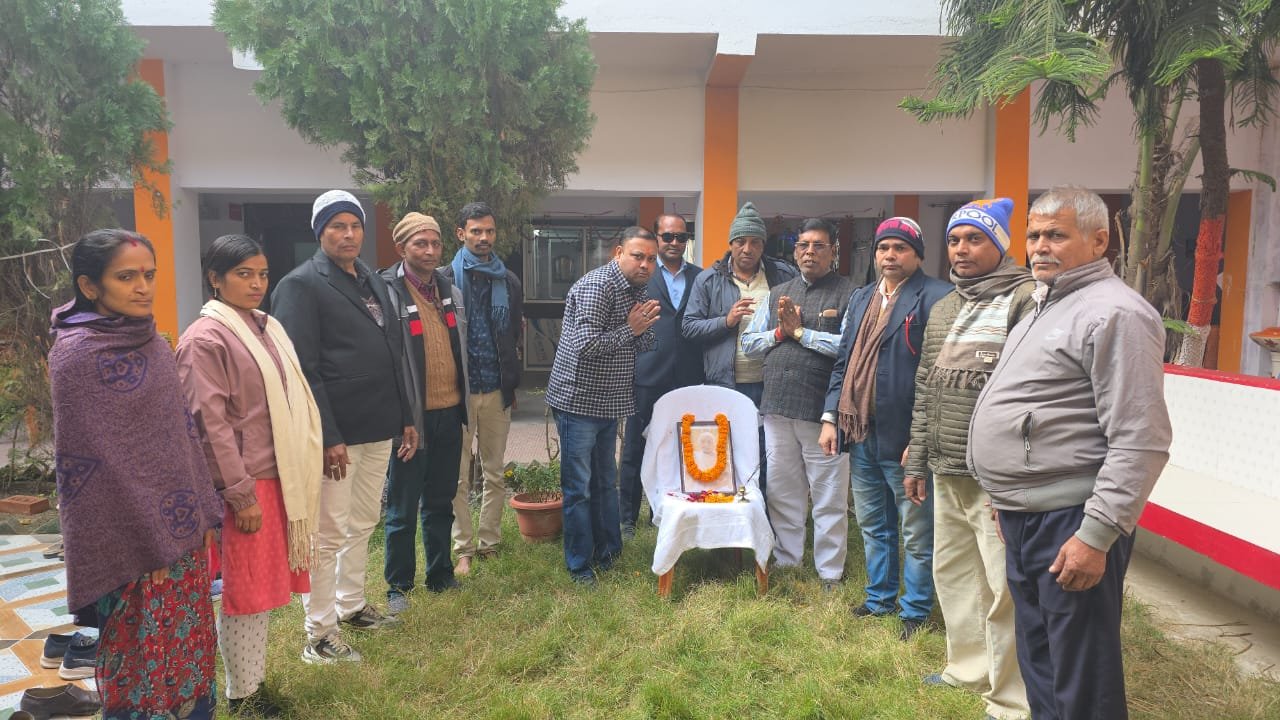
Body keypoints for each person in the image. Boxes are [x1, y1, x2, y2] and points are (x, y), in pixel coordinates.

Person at [970, 187, 1171, 720]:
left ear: (1099, 241)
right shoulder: (1045, 305)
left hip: (1071, 520)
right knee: (1041, 658)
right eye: (1034, 235)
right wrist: (1005, 495)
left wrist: (1096, 535)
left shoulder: (1116, 313)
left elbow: (1141, 437)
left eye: (1056, 235)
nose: (1040, 246)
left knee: (1082, 672)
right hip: (1026, 516)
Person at [49, 229, 222, 718]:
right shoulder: (76, 355)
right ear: (89, 285)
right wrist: (150, 542)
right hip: (128, 544)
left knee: (189, 654)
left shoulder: (153, 342)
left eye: (149, 274)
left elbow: (180, 437)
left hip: (180, 531)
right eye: (126, 277)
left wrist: (199, 512)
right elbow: (93, 465)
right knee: (142, 665)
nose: (143, 287)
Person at [177, 234, 323, 717]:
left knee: (260, 593)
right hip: (243, 483)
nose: (257, 283)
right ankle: (243, 694)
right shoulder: (206, 339)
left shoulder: (265, 326)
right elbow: (209, 425)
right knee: (245, 593)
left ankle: (251, 684)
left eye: (262, 274)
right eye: (243, 274)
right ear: (215, 279)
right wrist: (240, 495)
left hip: (278, 475)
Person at [272, 190, 417, 663]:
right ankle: (319, 633)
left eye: (354, 225)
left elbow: (393, 354)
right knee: (329, 533)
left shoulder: (370, 279)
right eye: (337, 226)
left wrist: (406, 417)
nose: (348, 234)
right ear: (320, 232)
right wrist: (328, 437)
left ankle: (350, 605)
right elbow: (302, 369)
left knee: (364, 522)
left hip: (379, 424)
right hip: (336, 434)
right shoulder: (300, 285)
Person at [902, 200, 1033, 720]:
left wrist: (1013, 476)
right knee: (955, 573)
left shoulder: (1025, 299)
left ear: (1000, 245)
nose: (961, 249)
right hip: (945, 464)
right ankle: (968, 667)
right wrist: (917, 460)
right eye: (955, 240)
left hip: (995, 475)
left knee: (1005, 586)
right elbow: (926, 387)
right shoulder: (945, 307)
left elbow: (1028, 393)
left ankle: (1012, 694)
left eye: (975, 239)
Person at [820, 216, 951, 640]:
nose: (890, 255)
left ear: (917, 254)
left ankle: (915, 610)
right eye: (883, 248)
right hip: (860, 431)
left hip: (905, 436)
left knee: (915, 530)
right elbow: (844, 362)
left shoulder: (936, 297)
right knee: (873, 524)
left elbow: (938, 378)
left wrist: (921, 439)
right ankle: (879, 599)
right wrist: (830, 417)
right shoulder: (862, 297)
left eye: (900, 248)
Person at [740, 218, 852, 588]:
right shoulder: (778, 293)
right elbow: (748, 343)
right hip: (776, 408)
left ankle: (830, 572)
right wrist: (778, 332)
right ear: (794, 250)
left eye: (819, 246)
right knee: (783, 490)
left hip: (823, 414)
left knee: (828, 494)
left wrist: (801, 333)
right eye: (803, 245)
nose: (810, 252)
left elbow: (851, 348)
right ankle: (788, 560)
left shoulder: (849, 294)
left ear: (833, 251)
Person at [545, 227, 660, 585]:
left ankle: (608, 552)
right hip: (578, 401)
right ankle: (579, 564)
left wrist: (643, 329)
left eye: (651, 259)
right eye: (638, 256)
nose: (645, 264)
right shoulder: (598, 286)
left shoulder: (636, 289)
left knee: (605, 482)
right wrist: (632, 329)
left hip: (609, 402)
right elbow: (586, 344)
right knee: (579, 487)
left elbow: (641, 343)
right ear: (618, 253)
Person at [381, 212, 470, 613]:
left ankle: (440, 574)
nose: (430, 251)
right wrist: (400, 419)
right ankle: (399, 586)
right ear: (401, 248)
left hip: (449, 412)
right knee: (402, 507)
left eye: (435, 243)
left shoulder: (448, 289)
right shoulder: (387, 293)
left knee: (440, 499)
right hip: (410, 421)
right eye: (421, 243)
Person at [683, 202, 797, 492]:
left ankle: (765, 511)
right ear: (731, 243)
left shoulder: (782, 275)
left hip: (772, 382)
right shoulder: (709, 279)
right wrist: (727, 321)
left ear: (763, 245)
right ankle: (733, 510)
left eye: (755, 242)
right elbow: (689, 327)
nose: (748, 248)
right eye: (741, 241)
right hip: (727, 383)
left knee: (770, 454)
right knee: (729, 450)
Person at [442, 201, 523, 576]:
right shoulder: (444, 279)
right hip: (456, 392)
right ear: (461, 234)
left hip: (495, 389)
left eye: (489, 231)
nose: (484, 237)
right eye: (476, 231)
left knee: (494, 471)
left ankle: (490, 542)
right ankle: (464, 548)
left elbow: (512, 335)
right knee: (459, 476)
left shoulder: (508, 281)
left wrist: (512, 384)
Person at [618, 213, 704, 538]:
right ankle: (626, 518)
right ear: (657, 238)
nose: (674, 243)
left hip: (688, 377)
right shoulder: (641, 274)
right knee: (634, 449)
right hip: (646, 373)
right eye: (667, 236)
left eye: (681, 237)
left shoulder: (700, 277)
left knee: (681, 450)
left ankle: (668, 512)